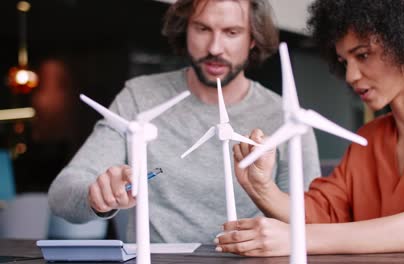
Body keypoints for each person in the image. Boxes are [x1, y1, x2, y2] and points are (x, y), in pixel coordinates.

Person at [48, 0, 321, 243]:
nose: (215, 48)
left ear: (252, 39)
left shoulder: (288, 117)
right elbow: (61, 195)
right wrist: (99, 196)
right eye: (202, 29)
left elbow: (312, 219)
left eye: (232, 32)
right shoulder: (139, 98)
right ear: (185, 30)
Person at [215, 0, 404, 256]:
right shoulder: (369, 138)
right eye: (344, 61)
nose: (350, 76)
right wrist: (261, 186)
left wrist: (298, 239)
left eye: (363, 55)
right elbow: (321, 214)